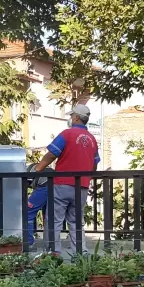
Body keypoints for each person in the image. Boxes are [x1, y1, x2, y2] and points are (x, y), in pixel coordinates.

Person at [33, 104, 100, 256]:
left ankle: (53, 252)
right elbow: (95, 163)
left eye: (71, 116)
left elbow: (51, 154)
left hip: (62, 184)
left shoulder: (66, 134)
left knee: (54, 220)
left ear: (76, 117)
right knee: (76, 221)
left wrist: (38, 168)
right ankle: (80, 253)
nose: (70, 118)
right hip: (82, 186)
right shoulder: (92, 139)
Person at [24, 165, 51, 247]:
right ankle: (50, 244)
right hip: (55, 185)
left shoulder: (28, 169)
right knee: (48, 215)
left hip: (44, 187)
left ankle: (28, 243)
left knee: (27, 212)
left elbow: (24, 185)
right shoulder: (32, 166)